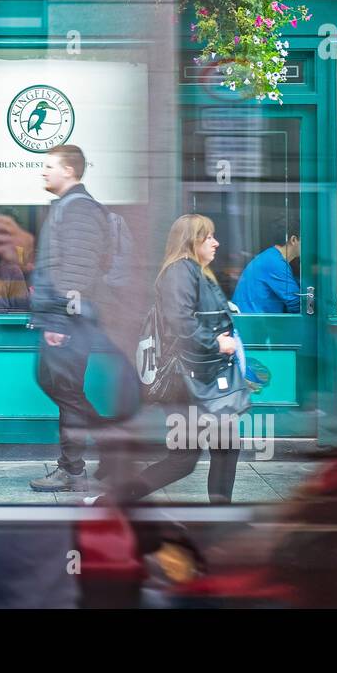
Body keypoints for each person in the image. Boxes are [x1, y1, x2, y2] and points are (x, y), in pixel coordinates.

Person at [125, 214, 241, 504]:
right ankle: (113, 502)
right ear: (191, 241)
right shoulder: (180, 271)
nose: (216, 243)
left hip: (199, 377)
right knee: (184, 458)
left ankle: (222, 517)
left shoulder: (193, 271)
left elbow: (189, 312)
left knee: (223, 447)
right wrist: (216, 342)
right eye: (208, 237)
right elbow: (180, 322)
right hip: (185, 381)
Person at [27, 145, 113, 493]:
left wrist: (60, 322)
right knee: (57, 385)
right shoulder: (69, 207)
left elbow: (78, 270)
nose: (43, 171)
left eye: (49, 166)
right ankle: (109, 443)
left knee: (64, 389)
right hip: (67, 318)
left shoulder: (78, 210)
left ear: (70, 171)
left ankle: (72, 469)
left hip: (71, 321)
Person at [231, 218, 301, 314]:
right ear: (293, 240)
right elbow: (296, 303)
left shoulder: (271, 256)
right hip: (255, 324)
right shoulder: (275, 263)